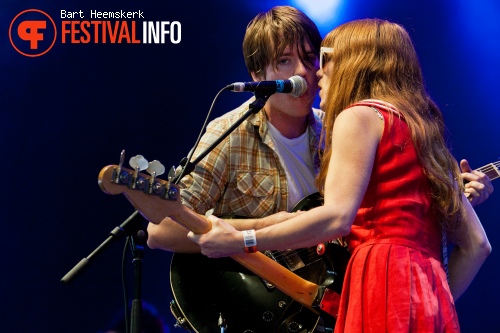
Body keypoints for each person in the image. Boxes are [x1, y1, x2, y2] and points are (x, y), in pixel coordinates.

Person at [184, 18, 492, 332]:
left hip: (379, 280)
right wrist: (429, 299)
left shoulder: (358, 116)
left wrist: (242, 240)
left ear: (352, 65)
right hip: (427, 295)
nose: (315, 75)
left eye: (324, 61)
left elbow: (336, 218)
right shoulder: (423, 130)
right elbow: (478, 245)